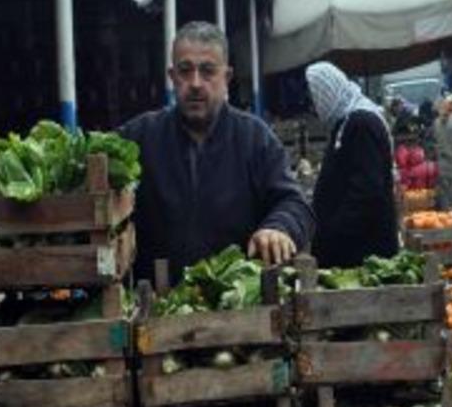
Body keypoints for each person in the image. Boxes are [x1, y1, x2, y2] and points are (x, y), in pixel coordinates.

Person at [118, 21, 315, 283]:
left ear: (227, 78)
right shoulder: (138, 138)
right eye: (185, 71)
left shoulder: (254, 138)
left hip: (236, 299)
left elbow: (295, 203)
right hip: (157, 300)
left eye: (207, 71)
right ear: (172, 76)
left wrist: (279, 227)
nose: (195, 83)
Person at [305, 62, 398, 268]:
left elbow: (367, 192)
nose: (314, 105)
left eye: (315, 96)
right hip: (350, 251)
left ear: (327, 92)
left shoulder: (361, 124)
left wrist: (333, 235)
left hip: (361, 255)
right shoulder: (346, 121)